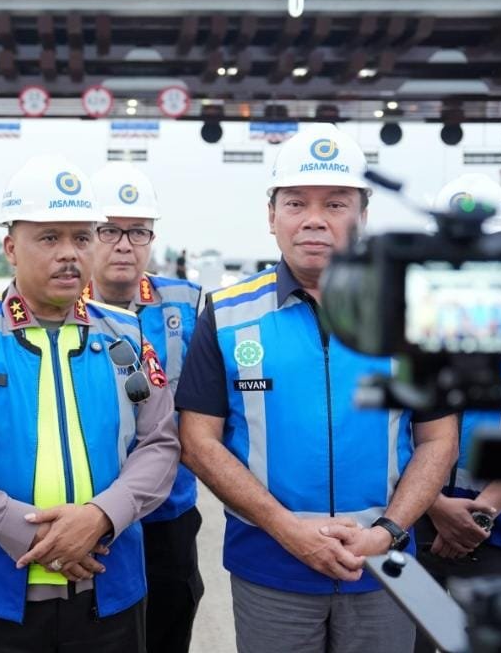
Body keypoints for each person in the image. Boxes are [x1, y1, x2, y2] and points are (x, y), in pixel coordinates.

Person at [176, 123, 458, 653]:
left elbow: (439, 440)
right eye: (296, 203)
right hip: (269, 565)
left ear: (363, 215)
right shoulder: (226, 314)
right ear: (271, 215)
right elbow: (198, 441)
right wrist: (286, 529)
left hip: (385, 568)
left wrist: (386, 532)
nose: (314, 220)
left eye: (335, 204)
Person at [0, 154, 180, 653]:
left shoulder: (128, 335)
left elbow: (159, 445)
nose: (69, 254)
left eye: (81, 237)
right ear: (11, 247)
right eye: (49, 238)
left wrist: (100, 517)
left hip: (107, 587)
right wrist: (28, 532)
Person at [86, 161, 204, 653]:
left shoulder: (188, 306)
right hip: (94, 517)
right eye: (109, 230)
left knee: (168, 630)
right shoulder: (62, 307)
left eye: (137, 231)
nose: (124, 244)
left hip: (167, 515)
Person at [412, 175, 501, 653]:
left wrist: (478, 518)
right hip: (414, 535)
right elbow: (385, 433)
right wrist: (432, 503)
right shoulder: (406, 331)